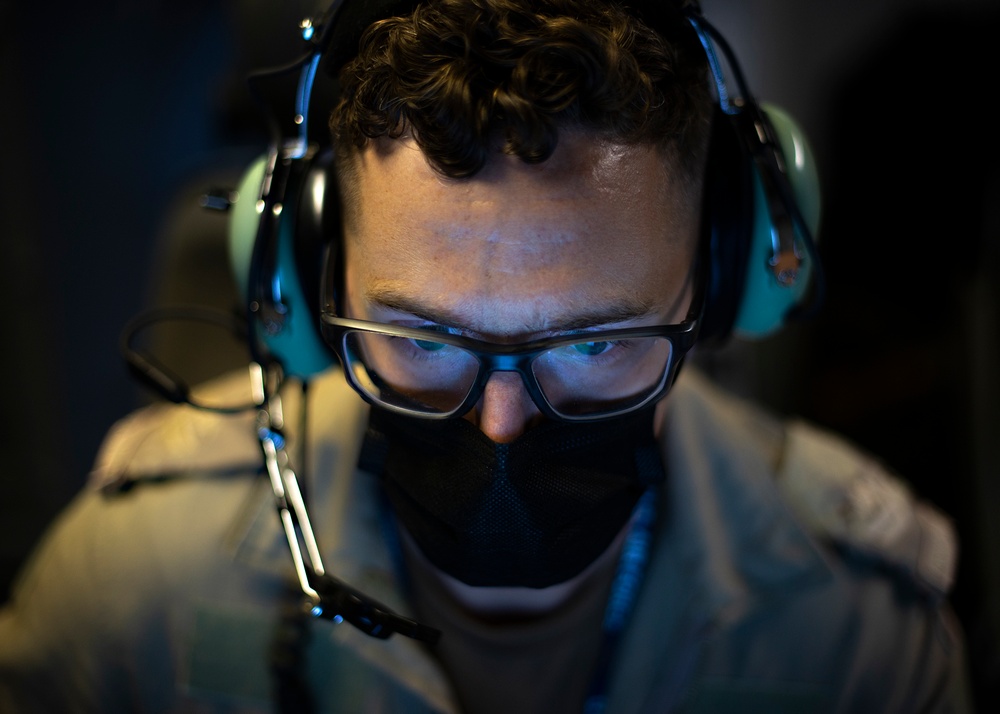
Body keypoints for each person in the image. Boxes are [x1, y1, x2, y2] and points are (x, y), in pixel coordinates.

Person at [0, 0, 974, 712]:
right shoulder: (126, 592)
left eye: (596, 339)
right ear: (307, 290)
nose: (500, 424)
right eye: (419, 338)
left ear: (720, 288)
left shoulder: (861, 636)